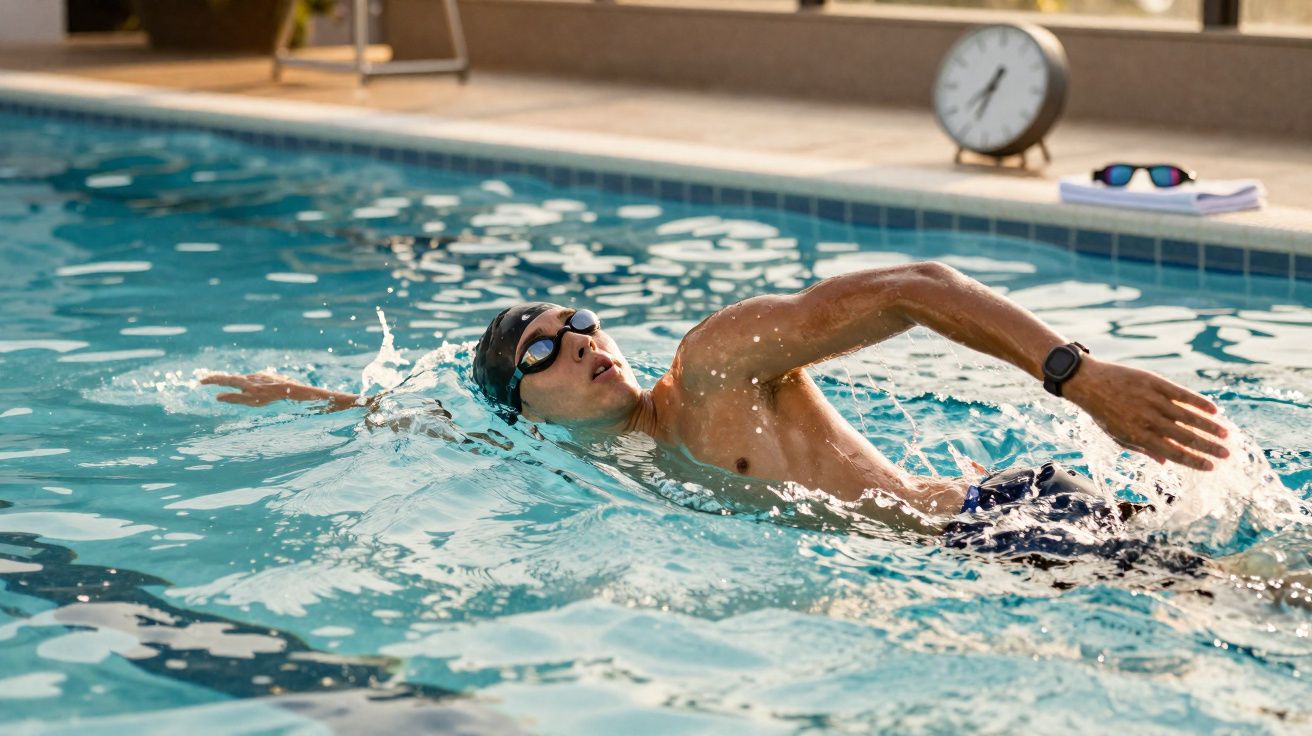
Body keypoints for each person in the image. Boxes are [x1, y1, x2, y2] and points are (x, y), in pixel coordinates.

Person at [202, 262, 1229, 548]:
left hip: (997, 524)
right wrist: (313, 398)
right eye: (544, 351)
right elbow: (435, 420)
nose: (584, 346)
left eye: (581, 322)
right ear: (522, 405)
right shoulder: (578, 457)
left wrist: (1076, 376)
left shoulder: (713, 369)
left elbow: (912, 288)